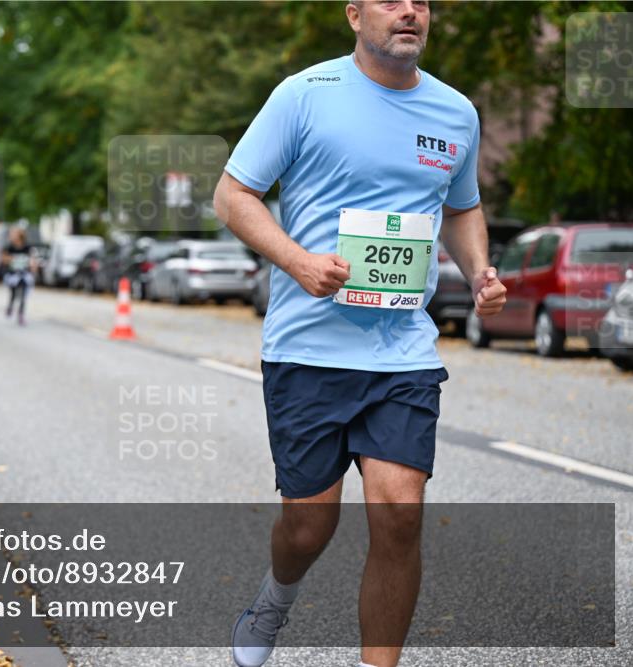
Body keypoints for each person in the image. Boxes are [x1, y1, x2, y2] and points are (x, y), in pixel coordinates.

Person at [212, 3, 507, 667]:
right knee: (309, 525)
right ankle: (273, 601)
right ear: (354, 15)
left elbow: (461, 208)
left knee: (400, 512)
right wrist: (298, 260)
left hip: (402, 350)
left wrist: (480, 270)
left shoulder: (455, 112)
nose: (410, 11)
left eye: (422, 1)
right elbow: (232, 196)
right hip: (307, 349)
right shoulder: (304, 95)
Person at [2, 227, 34, 326]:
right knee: (13, 293)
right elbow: (3, 259)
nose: (12, 236)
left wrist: (32, 265)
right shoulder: (9, 247)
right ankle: (10, 307)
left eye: (14, 234)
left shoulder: (27, 247)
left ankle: (21, 314)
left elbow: (32, 259)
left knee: (24, 295)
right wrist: (10, 259)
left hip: (24, 274)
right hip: (13, 274)